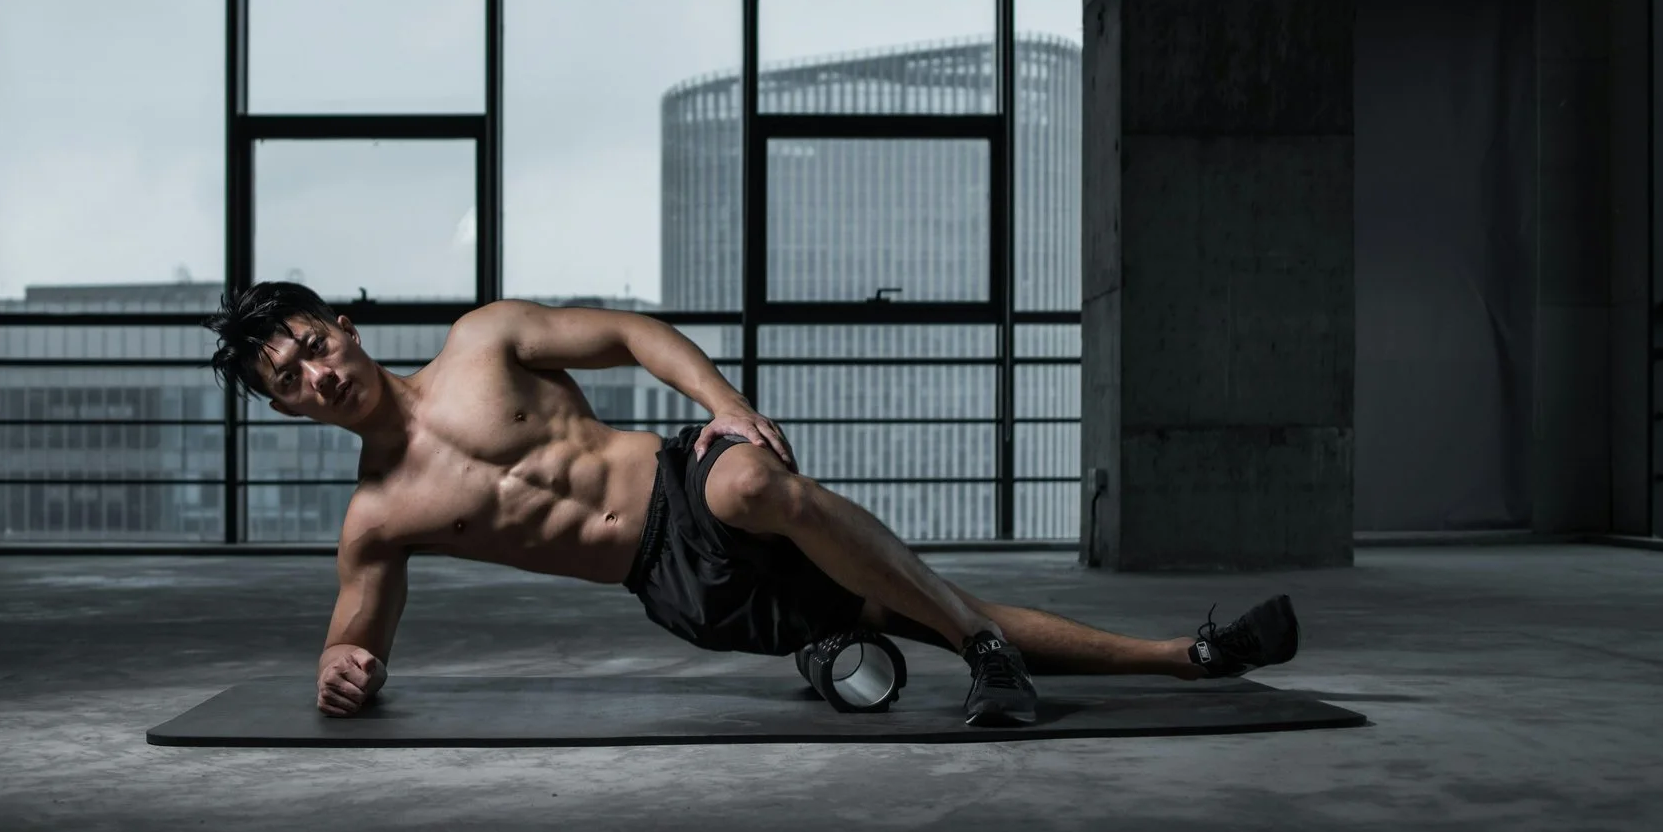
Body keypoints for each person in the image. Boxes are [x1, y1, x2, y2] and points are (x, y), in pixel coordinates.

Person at [207, 282, 1299, 726]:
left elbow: (632, 333)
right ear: (286, 412)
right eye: (286, 382)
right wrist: (338, 670)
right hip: (675, 585)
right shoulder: (376, 520)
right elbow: (353, 647)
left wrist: (727, 406)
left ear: (340, 322)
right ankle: (1180, 660)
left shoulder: (484, 337)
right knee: (892, 624)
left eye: (310, 345)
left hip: (686, 481)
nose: (313, 373)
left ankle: (976, 644)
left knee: (750, 479)